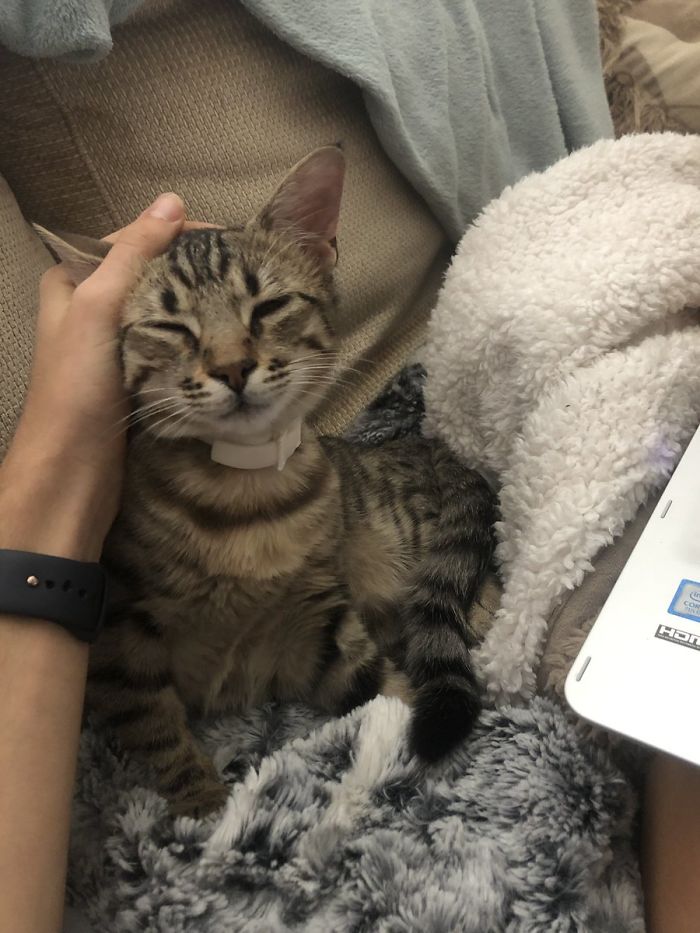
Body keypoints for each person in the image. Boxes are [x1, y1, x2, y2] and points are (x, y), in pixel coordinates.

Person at [0, 195, 698, 933]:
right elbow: (119, 664)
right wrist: (193, 794)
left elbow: (323, 635)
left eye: (268, 310)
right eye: (173, 330)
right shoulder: (136, 507)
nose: (231, 361)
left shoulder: (317, 483)